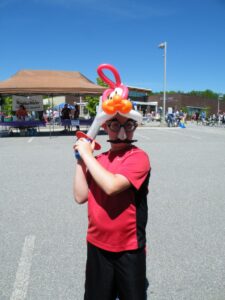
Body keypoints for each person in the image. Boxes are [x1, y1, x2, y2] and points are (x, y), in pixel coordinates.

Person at [73, 64, 151, 300]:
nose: (123, 130)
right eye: (115, 124)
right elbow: (80, 196)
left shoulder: (138, 157)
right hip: (97, 244)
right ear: (106, 127)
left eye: (129, 124)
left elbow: (112, 186)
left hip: (128, 248)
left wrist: (86, 154)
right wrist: (80, 160)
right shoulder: (99, 160)